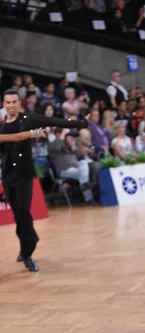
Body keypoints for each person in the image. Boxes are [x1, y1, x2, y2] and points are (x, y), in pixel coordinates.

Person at [0, 90, 88, 272]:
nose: (11, 105)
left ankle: (28, 252)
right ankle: (28, 242)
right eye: (7, 102)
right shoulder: (2, 127)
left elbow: (54, 121)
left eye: (14, 102)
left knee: (24, 211)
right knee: (18, 215)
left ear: (19, 103)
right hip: (9, 176)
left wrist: (79, 123)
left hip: (24, 174)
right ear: (3, 104)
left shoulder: (28, 118)